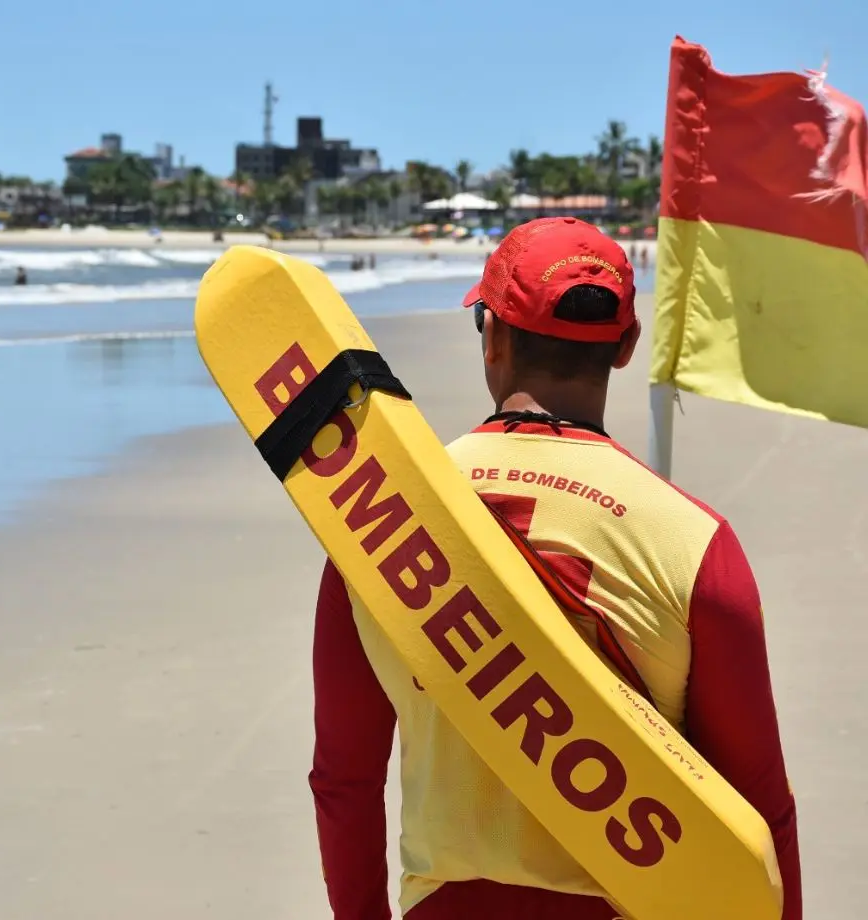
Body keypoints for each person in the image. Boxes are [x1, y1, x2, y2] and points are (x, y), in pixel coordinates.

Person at [307, 216, 801, 920]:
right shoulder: (692, 541)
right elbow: (761, 814)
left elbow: (345, 782)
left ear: (494, 336)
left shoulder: (376, 520)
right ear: (626, 346)